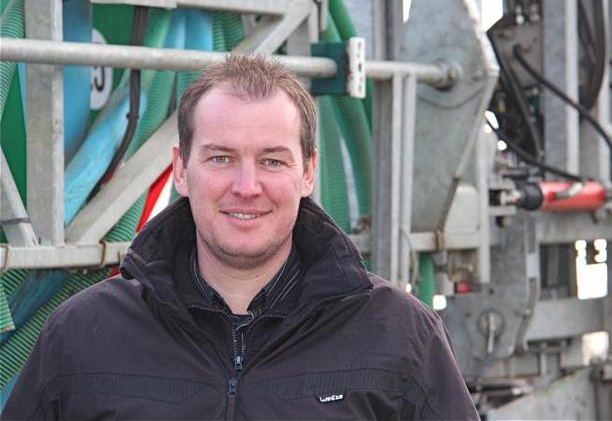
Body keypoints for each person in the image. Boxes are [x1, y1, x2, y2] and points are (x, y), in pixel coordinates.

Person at [3, 54, 479, 420]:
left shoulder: (398, 333)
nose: (246, 188)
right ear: (181, 171)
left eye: (272, 160)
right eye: (220, 159)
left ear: (308, 172)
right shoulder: (84, 334)